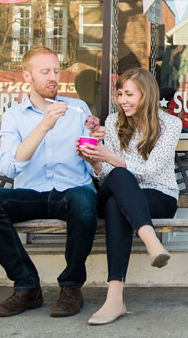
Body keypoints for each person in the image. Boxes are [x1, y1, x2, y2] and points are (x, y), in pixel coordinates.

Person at [0, 47, 103, 318]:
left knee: (84, 199)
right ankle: (26, 286)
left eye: (56, 71)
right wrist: (44, 125)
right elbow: (9, 166)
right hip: (30, 194)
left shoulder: (78, 109)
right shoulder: (14, 116)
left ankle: (71, 287)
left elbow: (95, 167)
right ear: (27, 76)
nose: (53, 77)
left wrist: (94, 147)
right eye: (45, 72)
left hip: (70, 192)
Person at [78, 68, 182, 326]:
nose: (123, 100)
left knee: (116, 202)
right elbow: (107, 178)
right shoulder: (114, 122)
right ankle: (151, 242)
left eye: (129, 94)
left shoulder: (171, 124)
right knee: (120, 181)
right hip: (122, 193)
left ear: (146, 95)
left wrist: (111, 159)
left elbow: (150, 170)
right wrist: (95, 163)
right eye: (120, 93)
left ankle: (115, 300)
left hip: (159, 195)